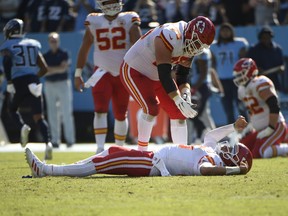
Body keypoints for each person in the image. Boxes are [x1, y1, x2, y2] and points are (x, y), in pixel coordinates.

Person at [25, 116, 253, 178]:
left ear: (234, 161)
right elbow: (211, 135)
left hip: (151, 164)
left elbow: (204, 170)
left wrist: (235, 171)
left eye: (233, 151)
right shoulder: (212, 151)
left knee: (107, 157)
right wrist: (233, 126)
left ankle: (46, 170)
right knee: (107, 156)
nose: (228, 148)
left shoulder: (213, 162)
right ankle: (47, 169)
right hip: (152, 158)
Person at [120, 15, 215, 151]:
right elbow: (164, 74)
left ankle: (182, 154)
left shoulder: (190, 41)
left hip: (156, 74)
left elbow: (182, 75)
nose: (197, 48)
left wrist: (185, 93)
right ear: (190, 33)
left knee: (179, 113)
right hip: (135, 70)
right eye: (198, 43)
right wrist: (177, 98)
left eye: (201, 46)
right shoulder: (170, 34)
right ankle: (141, 153)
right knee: (151, 108)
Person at [74, 0, 142, 153]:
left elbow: (138, 44)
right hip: (101, 72)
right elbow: (85, 47)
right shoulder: (94, 20)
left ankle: (119, 149)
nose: (111, 5)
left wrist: (139, 70)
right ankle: (99, 149)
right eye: (108, 2)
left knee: (120, 112)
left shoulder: (129, 19)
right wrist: (78, 73)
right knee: (99, 109)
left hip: (122, 73)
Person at [0, 18, 53, 160]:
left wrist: (10, 82)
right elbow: (44, 68)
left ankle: (23, 127)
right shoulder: (33, 44)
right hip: (34, 81)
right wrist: (33, 78)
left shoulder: (8, 45)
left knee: (11, 109)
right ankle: (48, 144)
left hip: (19, 82)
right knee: (39, 117)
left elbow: (6, 61)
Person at [233, 58, 288, 158]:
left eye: (242, 73)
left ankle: (284, 148)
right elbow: (252, 111)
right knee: (242, 150)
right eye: (237, 75)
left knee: (262, 152)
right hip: (259, 129)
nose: (239, 77)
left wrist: (271, 128)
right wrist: (250, 126)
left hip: (276, 126)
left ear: (250, 71)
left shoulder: (260, 83)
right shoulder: (241, 90)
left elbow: (274, 105)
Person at [210, 22, 249, 124]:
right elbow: (213, 64)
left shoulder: (239, 43)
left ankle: (246, 127)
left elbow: (243, 61)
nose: (226, 33)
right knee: (227, 107)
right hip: (222, 79)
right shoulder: (214, 46)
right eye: (223, 30)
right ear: (220, 32)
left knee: (240, 104)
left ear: (232, 31)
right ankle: (231, 129)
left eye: (228, 30)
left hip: (237, 79)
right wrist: (214, 80)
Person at [43, 32, 75, 148]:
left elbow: (63, 69)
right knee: (52, 113)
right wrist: (58, 69)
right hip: (50, 84)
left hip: (63, 84)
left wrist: (51, 69)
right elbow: (45, 70)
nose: (54, 43)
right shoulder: (45, 55)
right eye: (52, 41)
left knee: (66, 112)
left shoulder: (64, 53)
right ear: (48, 42)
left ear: (59, 41)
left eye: (55, 41)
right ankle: (55, 140)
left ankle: (70, 140)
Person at [247, 26, 285, 92]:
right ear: (260, 38)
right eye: (263, 37)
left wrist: (280, 69)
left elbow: (281, 64)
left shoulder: (277, 49)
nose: (266, 39)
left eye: (268, 37)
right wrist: (256, 69)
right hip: (259, 81)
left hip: (274, 81)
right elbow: (249, 65)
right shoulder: (253, 49)